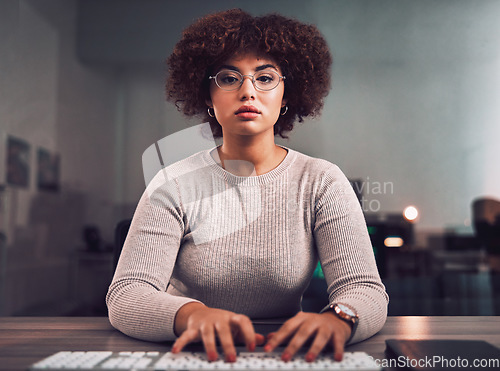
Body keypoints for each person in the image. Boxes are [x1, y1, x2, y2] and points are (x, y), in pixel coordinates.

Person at [106, 8, 388, 364]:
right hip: (188, 351)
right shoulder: (173, 183)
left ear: (287, 95)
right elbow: (127, 295)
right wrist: (191, 315)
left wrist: (341, 319)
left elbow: (364, 290)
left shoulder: (321, 181)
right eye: (228, 78)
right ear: (208, 96)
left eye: (265, 78)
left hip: (285, 354)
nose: (247, 92)